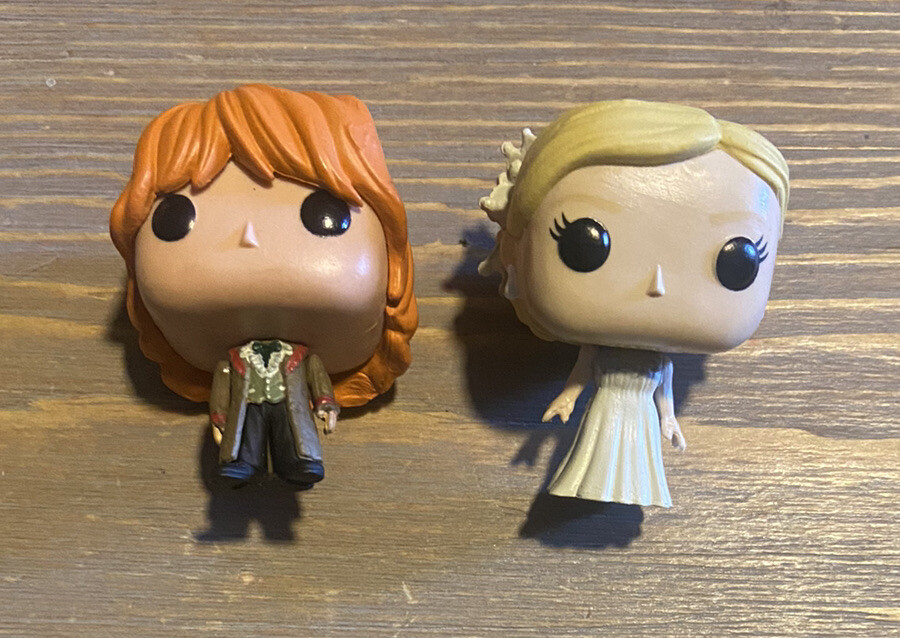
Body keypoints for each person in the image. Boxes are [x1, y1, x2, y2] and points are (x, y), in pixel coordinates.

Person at [480, 100, 789, 506]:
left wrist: (669, 419)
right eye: (583, 244)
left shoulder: (661, 361)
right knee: (595, 454)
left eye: (736, 263)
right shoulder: (602, 344)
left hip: (637, 412)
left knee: (634, 460)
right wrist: (567, 397)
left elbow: (664, 391)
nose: (657, 285)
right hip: (609, 407)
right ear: (516, 251)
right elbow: (582, 372)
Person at [110, 85, 417, 487]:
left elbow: (318, 377)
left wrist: (326, 402)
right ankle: (242, 461)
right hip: (248, 402)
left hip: (289, 399)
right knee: (248, 433)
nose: (248, 235)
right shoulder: (229, 361)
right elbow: (222, 383)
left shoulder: (303, 358)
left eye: (323, 213)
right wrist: (218, 416)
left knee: (293, 435)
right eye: (175, 218)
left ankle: (299, 462)